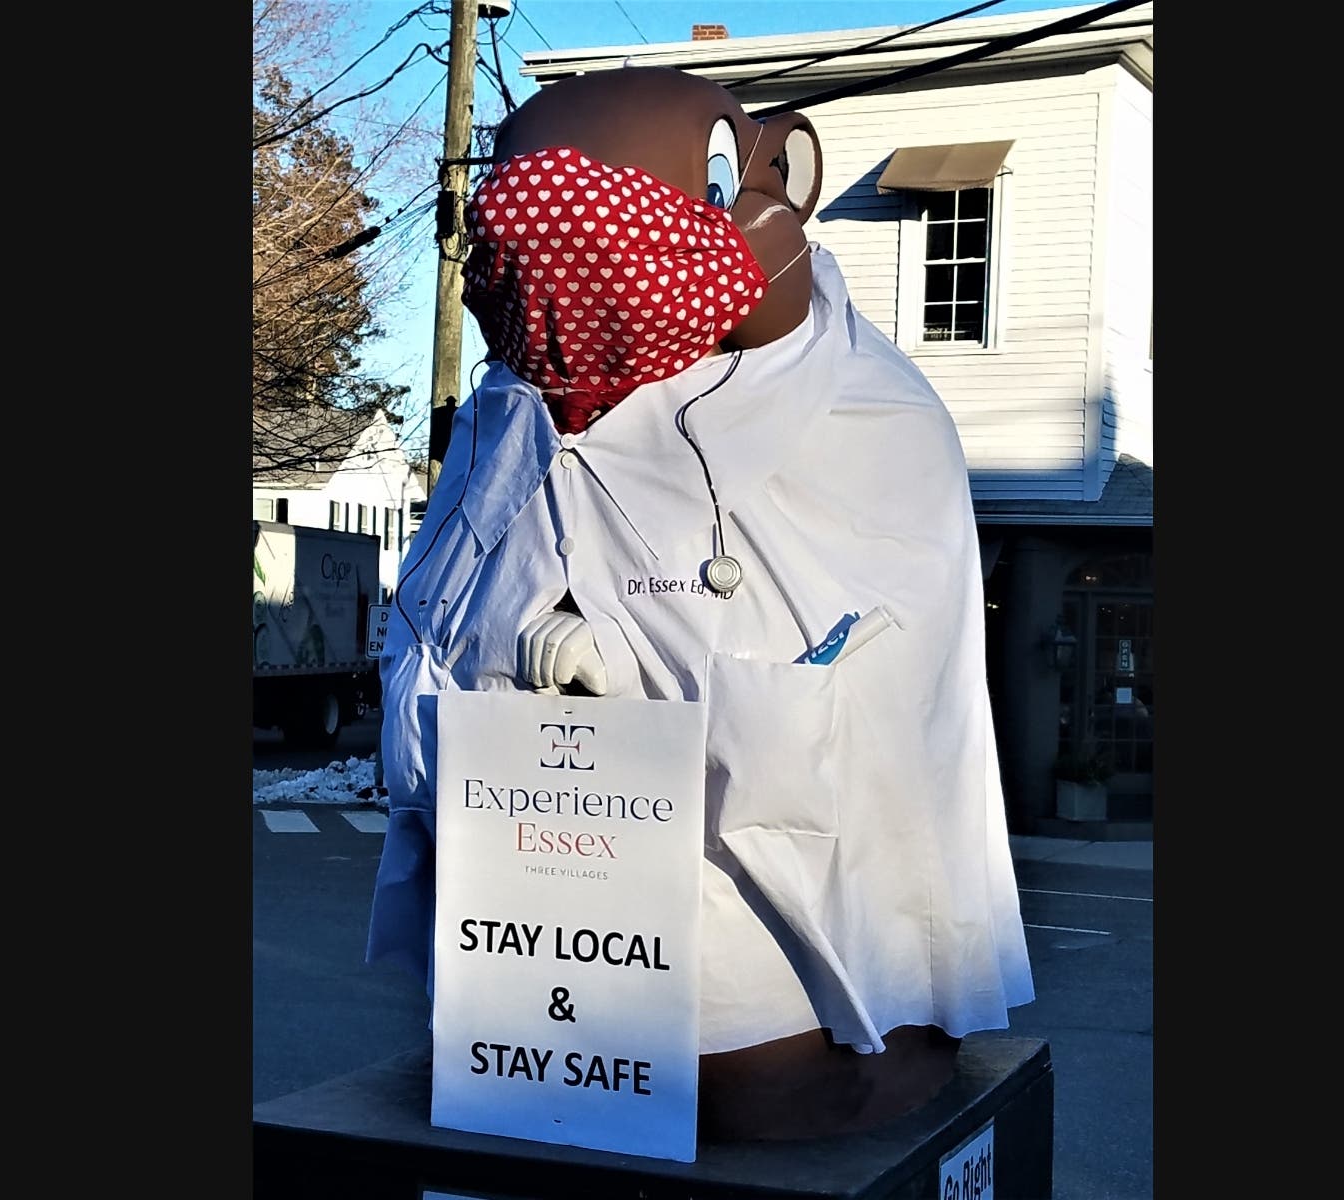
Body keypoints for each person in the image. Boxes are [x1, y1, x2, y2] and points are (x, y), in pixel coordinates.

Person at [367, 65, 1033, 1140]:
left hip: (765, 997)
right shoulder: (514, 408)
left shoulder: (868, 412)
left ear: (779, 179)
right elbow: (442, 612)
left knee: (769, 1067)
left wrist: (655, 676)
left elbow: (886, 684)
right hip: (533, 974)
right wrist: (526, 648)